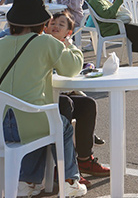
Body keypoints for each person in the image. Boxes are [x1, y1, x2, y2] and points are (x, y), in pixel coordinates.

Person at [0, 0, 88, 196]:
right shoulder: (46, 42)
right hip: (29, 123)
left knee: (40, 119)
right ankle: (69, 181)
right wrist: (71, 46)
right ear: (42, 22)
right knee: (59, 126)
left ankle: (28, 182)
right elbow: (72, 68)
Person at [46, 12, 110, 180]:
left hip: (57, 94)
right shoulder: (44, 43)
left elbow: (72, 70)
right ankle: (63, 167)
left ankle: (84, 160)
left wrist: (69, 47)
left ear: (69, 32)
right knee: (66, 103)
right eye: (53, 22)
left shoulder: (67, 46)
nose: (56, 26)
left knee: (88, 104)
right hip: (42, 99)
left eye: (61, 24)